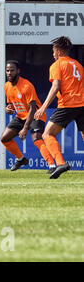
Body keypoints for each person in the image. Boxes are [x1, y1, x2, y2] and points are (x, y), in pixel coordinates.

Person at [34, 36, 84, 179]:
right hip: (82, 104)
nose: (53, 54)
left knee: (47, 134)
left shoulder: (57, 65)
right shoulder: (79, 66)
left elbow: (55, 87)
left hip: (68, 104)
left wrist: (43, 107)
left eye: (54, 51)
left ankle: (60, 163)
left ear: (59, 51)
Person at [1, 60, 56, 173]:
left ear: (18, 71)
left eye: (12, 70)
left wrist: (25, 128)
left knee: (36, 138)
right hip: (21, 116)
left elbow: (32, 108)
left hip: (35, 115)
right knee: (4, 138)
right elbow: (11, 103)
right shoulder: (7, 86)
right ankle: (21, 159)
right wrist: (8, 108)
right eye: (7, 70)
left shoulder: (26, 86)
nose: (9, 73)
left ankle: (52, 165)